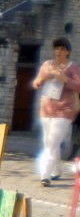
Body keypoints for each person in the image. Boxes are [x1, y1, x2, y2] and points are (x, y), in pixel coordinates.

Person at [31, 37, 80, 186]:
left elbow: (78, 86)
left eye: (62, 49)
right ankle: (56, 170)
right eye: (57, 48)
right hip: (46, 110)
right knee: (49, 142)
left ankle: (45, 176)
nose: (59, 51)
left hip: (64, 110)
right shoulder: (47, 65)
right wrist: (41, 79)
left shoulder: (72, 68)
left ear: (68, 52)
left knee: (52, 142)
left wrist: (65, 79)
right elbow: (36, 82)